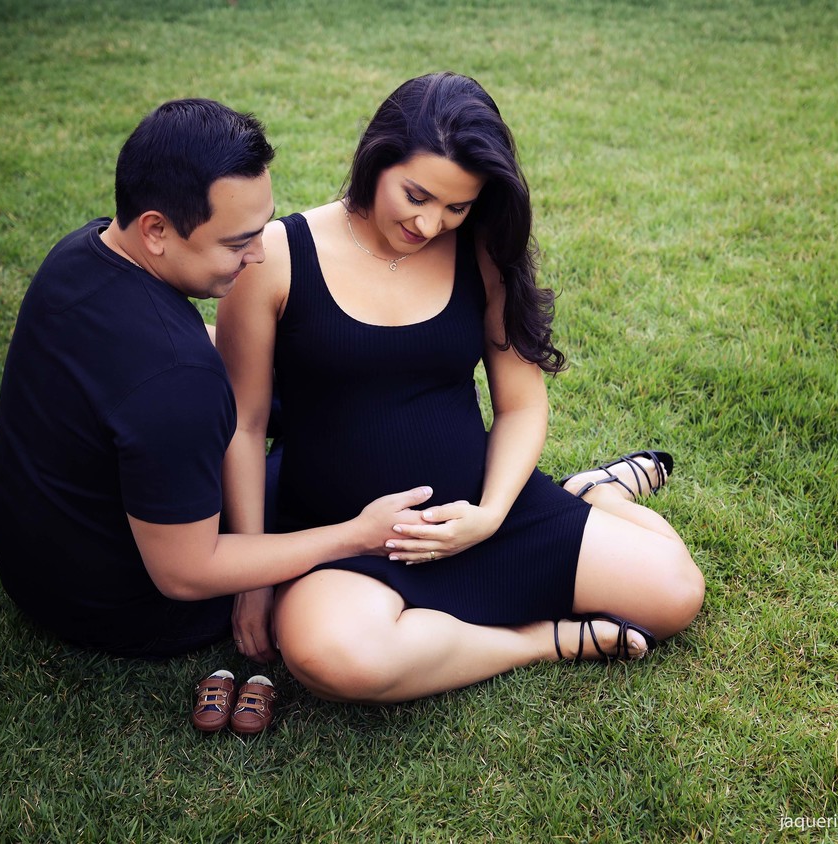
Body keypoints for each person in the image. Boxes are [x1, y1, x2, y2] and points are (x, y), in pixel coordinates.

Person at [217, 72, 705, 703]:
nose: (429, 224)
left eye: (456, 207)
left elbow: (520, 405)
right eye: (416, 195)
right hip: (344, 536)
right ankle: (544, 641)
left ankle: (594, 494)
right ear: (376, 160)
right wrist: (254, 577)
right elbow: (244, 424)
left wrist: (490, 515)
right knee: (331, 656)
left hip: (482, 513)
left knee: (675, 594)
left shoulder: (479, 252)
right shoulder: (277, 257)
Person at [0, 98, 433, 660]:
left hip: (36, 560)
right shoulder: (178, 381)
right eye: (236, 243)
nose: (259, 256)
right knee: (334, 472)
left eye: (260, 231)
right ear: (156, 229)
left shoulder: (82, 252)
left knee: (301, 388)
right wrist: (354, 535)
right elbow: (187, 573)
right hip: (125, 606)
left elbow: (179, 359)